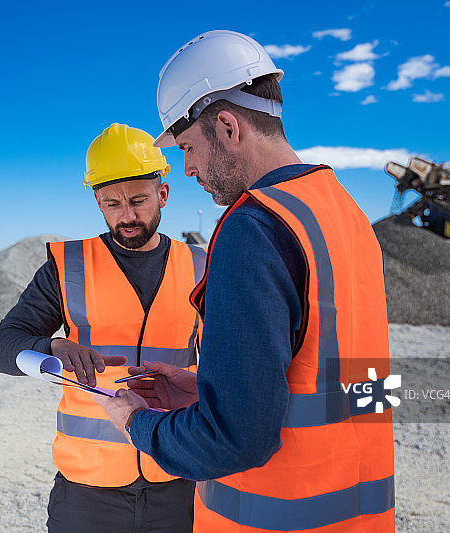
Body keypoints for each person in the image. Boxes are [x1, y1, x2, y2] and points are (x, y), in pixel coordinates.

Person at [95, 30, 395, 532]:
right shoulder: (345, 212)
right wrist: (210, 389)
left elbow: (235, 440)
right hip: (361, 516)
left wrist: (136, 423)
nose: (187, 168)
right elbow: (351, 385)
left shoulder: (254, 227)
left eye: (188, 147)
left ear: (229, 127)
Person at [0, 123, 206, 533]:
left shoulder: (201, 266)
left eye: (138, 200)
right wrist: (50, 348)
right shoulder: (66, 267)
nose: (127, 216)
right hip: (87, 494)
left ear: (163, 194)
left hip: (178, 479)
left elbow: (228, 365)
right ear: (97, 201)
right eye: (111, 204)